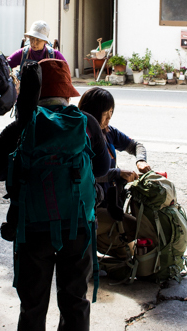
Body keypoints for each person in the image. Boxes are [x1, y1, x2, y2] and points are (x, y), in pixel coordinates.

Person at [0, 59, 109, 331]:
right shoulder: (86, 123)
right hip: (78, 225)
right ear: (66, 92)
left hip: (32, 225)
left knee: (33, 304)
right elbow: (102, 168)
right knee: (75, 300)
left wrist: (22, 169)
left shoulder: (22, 126)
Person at [77, 87, 151, 259]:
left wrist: (141, 160)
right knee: (138, 227)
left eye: (112, 112)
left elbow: (136, 145)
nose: (109, 118)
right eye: (106, 113)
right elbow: (85, 174)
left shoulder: (108, 132)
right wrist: (116, 174)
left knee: (126, 256)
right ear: (94, 112)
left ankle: (94, 249)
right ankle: (85, 251)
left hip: (107, 203)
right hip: (90, 207)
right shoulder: (82, 136)